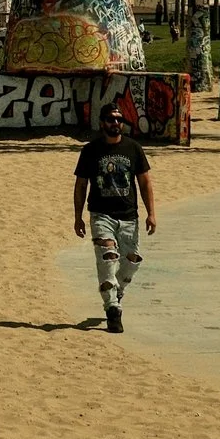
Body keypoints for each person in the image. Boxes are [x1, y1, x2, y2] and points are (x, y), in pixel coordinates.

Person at [72, 102, 156, 333]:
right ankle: (112, 309)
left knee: (132, 261)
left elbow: (145, 181)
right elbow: (80, 185)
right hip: (101, 215)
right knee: (108, 256)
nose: (115, 123)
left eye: (119, 120)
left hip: (129, 216)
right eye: (111, 119)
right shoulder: (90, 151)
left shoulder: (133, 148)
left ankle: (116, 291)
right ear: (102, 123)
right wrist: (78, 217)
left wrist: (151, 213)